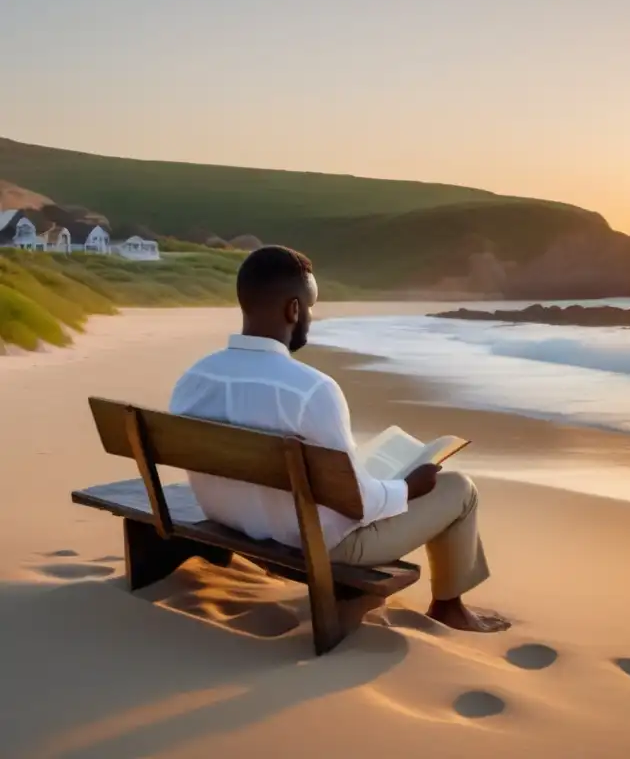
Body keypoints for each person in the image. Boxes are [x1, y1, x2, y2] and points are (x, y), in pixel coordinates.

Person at [169, 245, 508, 632]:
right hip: (312, 542)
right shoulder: (311, 390)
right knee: (459, 489)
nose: (311, 318)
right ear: (293, 310)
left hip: (229, 518)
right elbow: (358, 505)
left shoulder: (195, 378)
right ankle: (450, 609)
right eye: (311, 308)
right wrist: (408, 488)